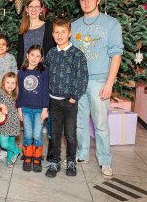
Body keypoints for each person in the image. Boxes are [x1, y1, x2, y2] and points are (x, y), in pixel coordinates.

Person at [71, 0, 123, 177]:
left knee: (101, 124)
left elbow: (116, 54)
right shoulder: (74, 25)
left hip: (99, 81)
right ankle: (82, 154)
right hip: (78, 82)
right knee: (80, 122)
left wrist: (109, 83)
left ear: (98, 0)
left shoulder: (111, 24)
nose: (86, 2)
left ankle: (105, 160)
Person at [44, 19, 88, 178]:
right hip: (53, 101)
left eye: (63, 32)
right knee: (54, 134)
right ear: (53, 34)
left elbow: (82, 77)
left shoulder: (77, 54)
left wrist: (74, 97)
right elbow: (46, 75)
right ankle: (54, 161)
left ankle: (71, 161)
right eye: (56, 32)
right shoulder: (51, 53)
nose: (60, 35)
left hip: (69, 102)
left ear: (69, 33)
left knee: (70, 134)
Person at [16, 0, 55, 162]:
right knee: (28, 113)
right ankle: (27, 152)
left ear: (41, 9)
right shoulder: (23, 29)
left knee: (45, 114)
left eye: (36, 6)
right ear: (26, 9)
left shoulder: (48, 27)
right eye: (30, 7)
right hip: (26, 76)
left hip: (42, 74)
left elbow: (50, 52)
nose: (33, 10)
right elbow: (20, 54)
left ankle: (50, 152)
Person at [16, 45, 49, 173]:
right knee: (28, 134)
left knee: (37, 135)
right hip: (25, 109)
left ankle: (37, 158)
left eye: (38, 56)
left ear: (41, 59)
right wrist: (19, 109)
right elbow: (19, 92)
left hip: (39, 109)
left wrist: (45, 109)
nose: (34, 58)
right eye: (32, 55)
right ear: (27, 55)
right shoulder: (22, 72)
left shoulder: (44, 71)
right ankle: (27, 157)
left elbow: (45, 91)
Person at [0, 72, 21, 168]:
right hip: (3, 123)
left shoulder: (16, 93)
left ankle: (9, 161)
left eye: (13, 83)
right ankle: (17, 151)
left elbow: (20, 105)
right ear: (3, 83)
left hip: (14, 121)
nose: (10, 85)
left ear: (16, 84)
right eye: (8, 82)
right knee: (4, 144)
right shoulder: (0, 92)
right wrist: (2, 105)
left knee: (11, 142)